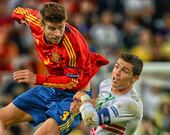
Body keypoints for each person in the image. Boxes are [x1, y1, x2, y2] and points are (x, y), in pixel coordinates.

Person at [0, 2, 109, 135]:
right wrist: (20, 20)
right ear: (42, 24)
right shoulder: (34, 20)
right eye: (52, 28)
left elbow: (72, 82)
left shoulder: (74, 45)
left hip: (74, 96)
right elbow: (17, 11)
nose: (57, 33)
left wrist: (36, 78)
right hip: (51, 88)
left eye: (61, 27)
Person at [71, 53, 144, 135]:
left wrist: (84, 98)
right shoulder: (106, 84)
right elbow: (101, 103)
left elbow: (91, 120)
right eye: (116, 67)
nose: (117, 72)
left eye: (124, 71)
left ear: (135, 78)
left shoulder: (131, 104)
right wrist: (81, 105)